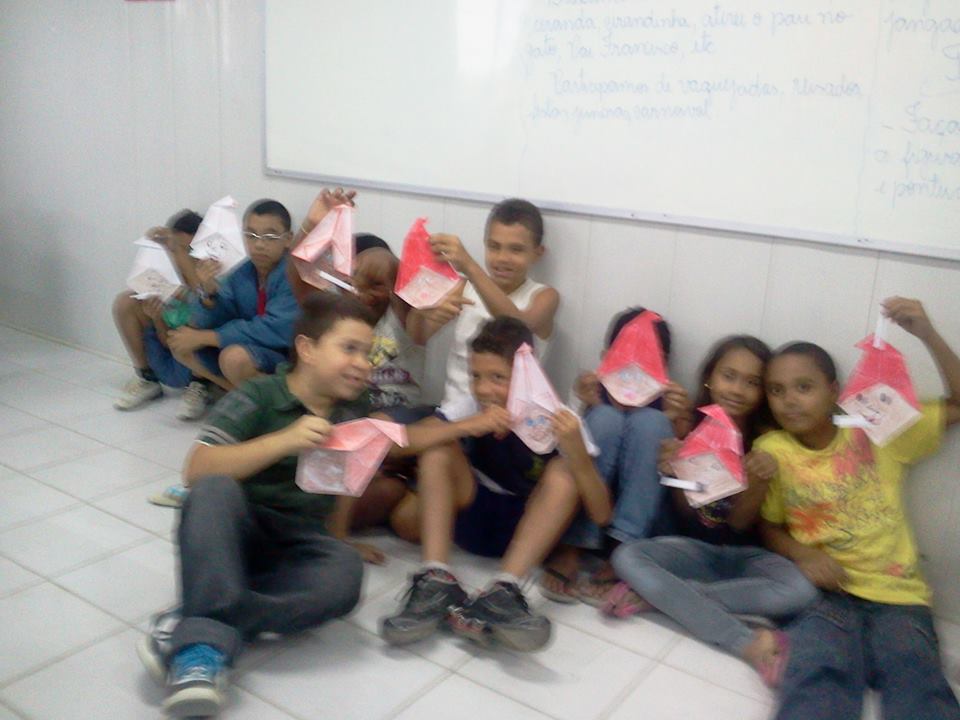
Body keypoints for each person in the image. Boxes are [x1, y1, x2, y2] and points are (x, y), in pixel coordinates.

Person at [137, 292, 384, 719]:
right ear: (307, 349)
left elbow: (348, 480)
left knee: (345, 573)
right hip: (237, 530)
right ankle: (200, 651)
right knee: (213, 490)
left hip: (298, 541)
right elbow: (196, 469)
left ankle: (197, 619)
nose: (363, 363)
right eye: (349, 348)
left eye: (368, 353)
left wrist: (340, 539)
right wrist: (284, 440)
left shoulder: (357, 409)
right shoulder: (260, 394)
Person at [757, 297, 960, 719]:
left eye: (804, 387)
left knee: (917, 682)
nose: (789, 400)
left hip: (898, 597)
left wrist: (927, 334)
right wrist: (802, 553)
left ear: (834, 390)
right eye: (776, 390)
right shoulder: (773, 449)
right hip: (823, 595)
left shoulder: (878, 427)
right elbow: (768, 525)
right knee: (815, 679)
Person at [379, 316, 610, 652]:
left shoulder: (559, 418)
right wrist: (468, 425)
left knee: (564, 471)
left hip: (528, 535)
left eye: (498, 378)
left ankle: (504, 592)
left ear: (527, 374)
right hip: (473, 519)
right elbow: (397, 444)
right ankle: (436, 579)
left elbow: (601, 515)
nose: (484, 389)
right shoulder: (471, 406)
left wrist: (578, 455)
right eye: (476, 376)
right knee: (438, 448)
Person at [606, 336, 818, 687]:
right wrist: (676, 473)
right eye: (728, 376)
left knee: (802, 591)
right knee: (627, 557)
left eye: (752, 382)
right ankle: (746, 642)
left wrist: (759, 482)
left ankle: (660, 598)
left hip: (747, 559)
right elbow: (689, 519)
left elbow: (739, 526)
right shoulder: (689, 427)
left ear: (764, 391)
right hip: (695, 551)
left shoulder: (768, 442)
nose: (737, 390)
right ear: (710, 378)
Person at [540, 307, 689, 603]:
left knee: (652, 423)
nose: (635, 366)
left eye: (647, 358)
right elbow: (560, 445)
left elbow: (681, 476)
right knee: (605, 418)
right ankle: (573, 545)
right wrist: (583, 404)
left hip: (645, 519)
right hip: (588, 499)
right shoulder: (594, 393)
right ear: (606, 356)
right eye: (624, 354)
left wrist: (679, 422)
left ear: (663, 366)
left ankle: (622, 551)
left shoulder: (668, 405)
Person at [410, 198, 559, 406]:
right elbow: (417, 337)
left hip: (506, 418)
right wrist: (421, 312)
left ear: (537, 253)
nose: (502, 258)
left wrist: (469, 266)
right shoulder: (463, 287)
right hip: (452, 413)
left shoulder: (544, 296)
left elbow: (517, 326)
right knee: (385, 422)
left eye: (516, 249)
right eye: (494, 247)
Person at [168, 199, 299, 421]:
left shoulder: (293, 274)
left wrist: (208, 337)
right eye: (251, 235)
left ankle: (279, 413)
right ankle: (243, 398)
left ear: (288, 239)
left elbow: (276, 329)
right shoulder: (242, 272)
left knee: (234, 358)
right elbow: (216, 316)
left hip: (287, 356)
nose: (259, 245)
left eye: (269, 236)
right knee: (181, 343)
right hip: (253, 348)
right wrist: (208, 293)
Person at [112, 210, 203, 410]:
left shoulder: (209, 273)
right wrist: (157, 318)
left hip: (196, 356)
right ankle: (147, 378)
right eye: (175, 249)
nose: (181, 257)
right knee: (125, 302)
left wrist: (183, 293)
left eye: (187, 251)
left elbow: (202, 299)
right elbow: (165, 339)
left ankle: (201, 385)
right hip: (167, 347)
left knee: (202, 314)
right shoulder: (163, 277)